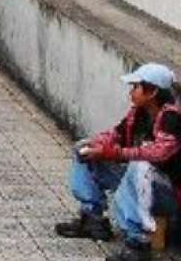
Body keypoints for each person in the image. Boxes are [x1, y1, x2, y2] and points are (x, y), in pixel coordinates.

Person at [55, 63, 181, 261]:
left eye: (136, 87)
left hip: (170, 195)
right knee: (84, 148)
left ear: (152, 92)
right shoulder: (138, 113)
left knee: (141, 165)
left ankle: (138, 243)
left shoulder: (172, 118)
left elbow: (158, 153)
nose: (131, 92)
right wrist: (98, 145)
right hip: (143, 185)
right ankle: (92, 219)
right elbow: (116, 134)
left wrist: (114, 153)